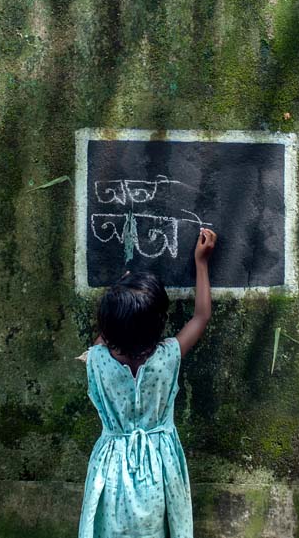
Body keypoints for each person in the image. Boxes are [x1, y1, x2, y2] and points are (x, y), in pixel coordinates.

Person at [78, 227, 218, 538]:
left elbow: (104, 338)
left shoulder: (97, 360)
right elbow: (201, 317)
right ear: (158, 324)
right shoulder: (168, 357)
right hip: (159, 466)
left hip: (111, 468)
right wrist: (202, 263)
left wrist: (119, 296)